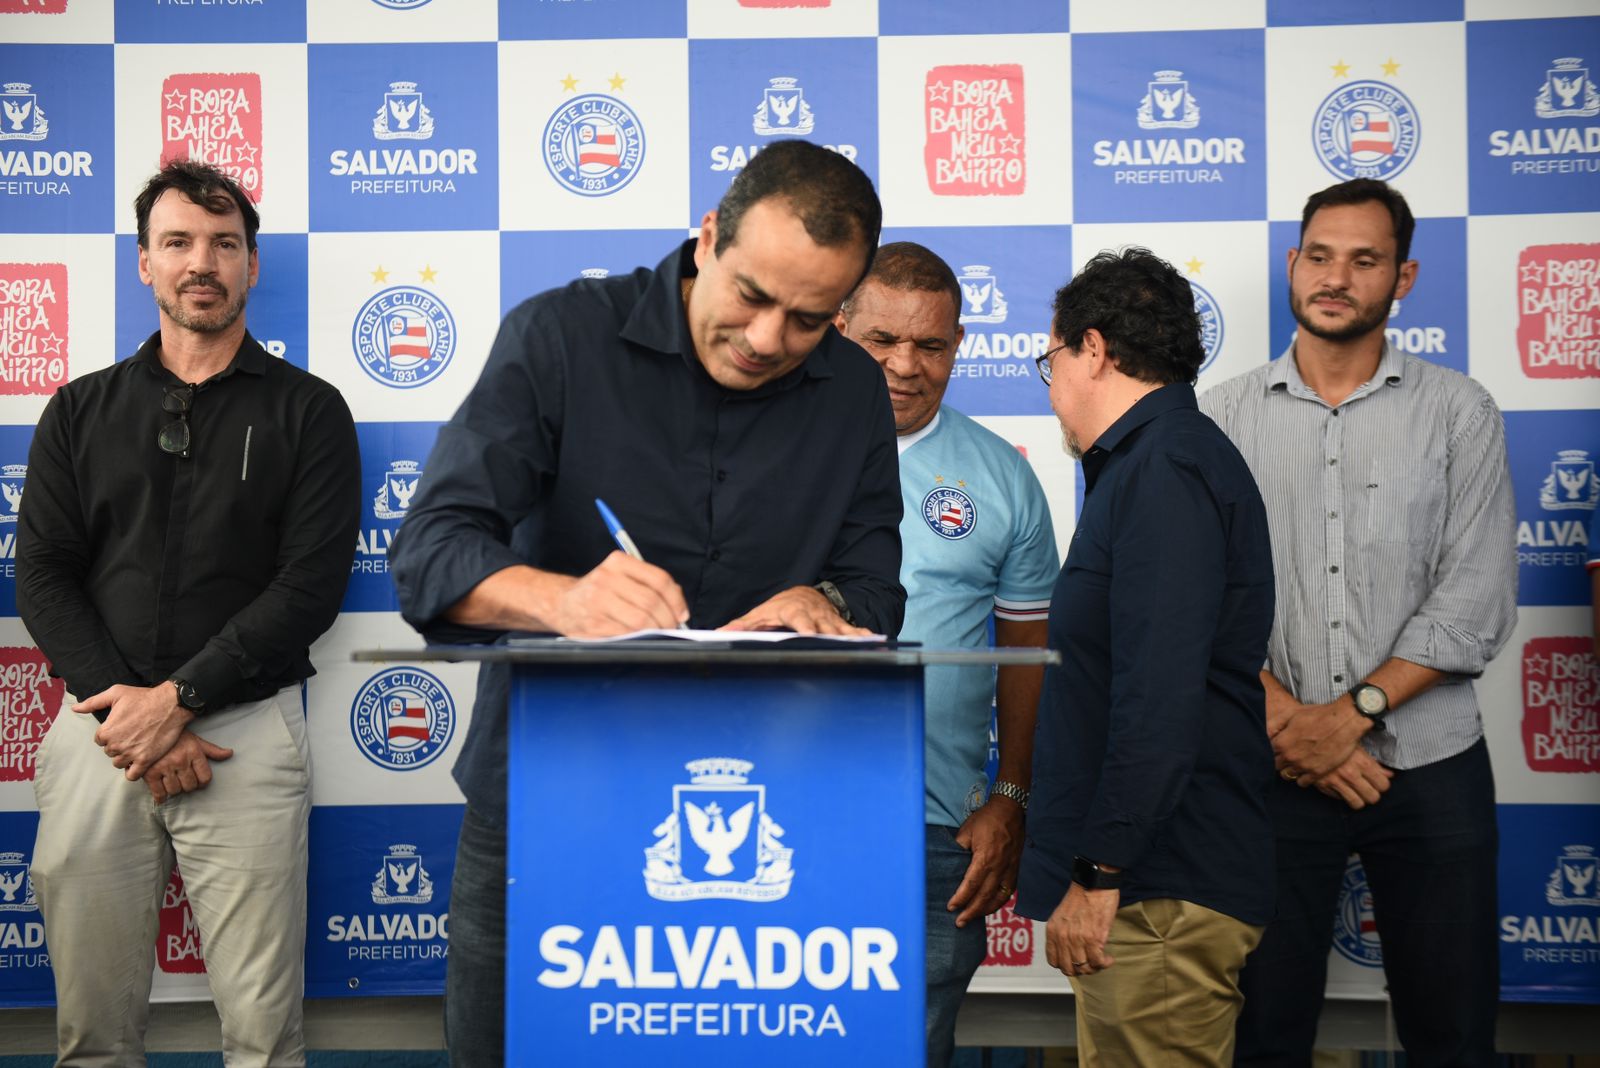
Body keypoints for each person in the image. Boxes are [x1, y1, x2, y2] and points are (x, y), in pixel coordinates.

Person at [389, 139, 905, 1067]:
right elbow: (429, 551)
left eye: (808, 319)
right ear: (707, 237)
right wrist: (564, 600)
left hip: (773, 811)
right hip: (542, 805)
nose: (766, 341)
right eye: (751, 296)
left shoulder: (857, 390)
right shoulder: (559, 336)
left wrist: (820, 600)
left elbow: (876, 587)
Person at [17, 160, 361, 1066]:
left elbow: (310, 587)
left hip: (245, 735)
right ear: (144, 263)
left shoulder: (311, 413)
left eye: (223, 244)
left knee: (262, 1034)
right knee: (91, 1033)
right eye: (178, 243)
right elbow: (43, 576)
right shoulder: (78, 410)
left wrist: (181, 699)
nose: (200, 262)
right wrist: (134, 712)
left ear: (251, 264)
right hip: (100, 735)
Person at [1201, 178, 1518, 1066]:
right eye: (1320, 254)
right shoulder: (1218, 418)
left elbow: (1475, 601)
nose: (1336, 276)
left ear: (1404, 277)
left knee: (1452, 1032)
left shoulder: (1461, 411)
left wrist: (1346, 718)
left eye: (1365, 259)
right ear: (1293, 263)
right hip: (1271, 766)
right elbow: (1200, 602)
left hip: (1432, 764)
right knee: (1263, 1032)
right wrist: (1289, 724)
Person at [1016, 247, 1276, 1067]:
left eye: (1048, 357)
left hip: (1157, 892)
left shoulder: (1164, 467)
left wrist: (1100, 870)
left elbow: (1158, 698)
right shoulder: (1149, 466)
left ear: (1092, 349)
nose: (1049, 381)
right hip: (1147, 887)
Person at [835, 242, 1057, 1068]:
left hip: (937, 829)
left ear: (960, 343)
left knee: (910, 1049)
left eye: (930, 345)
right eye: (881, 341)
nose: (905, 365)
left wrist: (1010, 796)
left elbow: (1029, 655)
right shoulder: (768, 455)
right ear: (838, 327)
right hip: (783, 805)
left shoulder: (1002, 478)